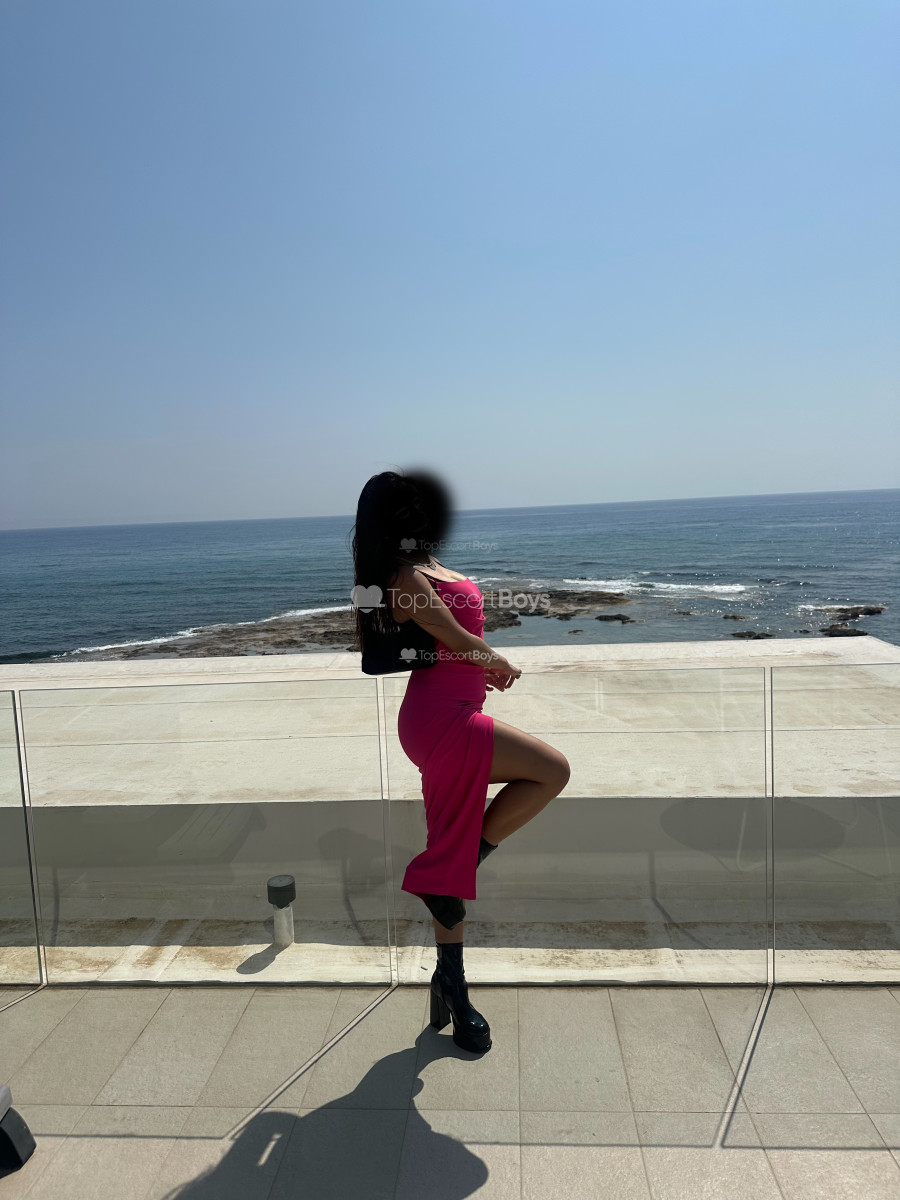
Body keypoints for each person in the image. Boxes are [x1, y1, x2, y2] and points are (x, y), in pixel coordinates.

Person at [351, 469, 571, 1053]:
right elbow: (452, 634)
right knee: (553, 770)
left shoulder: (428, 565)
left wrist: (480, 669)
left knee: (449, 844)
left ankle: (451, 981)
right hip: (438, 720)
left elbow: (448, 642)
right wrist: (498, 661)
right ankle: (450, 873)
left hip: (454, 711)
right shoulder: (402, 577)